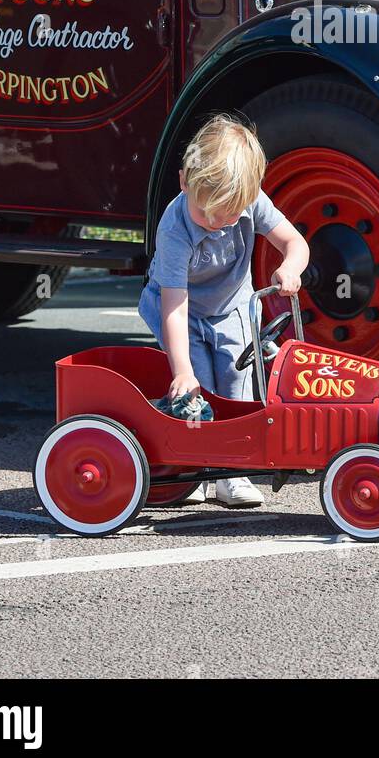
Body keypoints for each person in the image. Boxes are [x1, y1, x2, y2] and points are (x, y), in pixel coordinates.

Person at [138, 114, 309, 508]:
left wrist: (290, 268)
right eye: (208, 213)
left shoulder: (250, 201)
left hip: (231, 307)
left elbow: (295, 243)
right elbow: (174, 306)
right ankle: (196, 469)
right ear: (184, 182)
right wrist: (182, 370)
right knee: (199, 389)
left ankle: (234, 473)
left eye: (230, 215)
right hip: (184, 312)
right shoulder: (175, 228)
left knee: (237, 387)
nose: (217, 223)